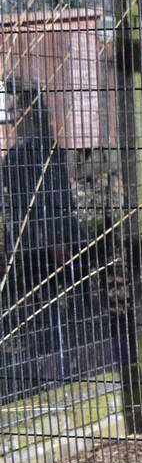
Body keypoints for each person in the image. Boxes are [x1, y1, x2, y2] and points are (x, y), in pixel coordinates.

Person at [0, 80, 88, 390]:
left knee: (54, 313)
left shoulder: (43, 154)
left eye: (17, 109)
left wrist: (56, 241)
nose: (13, 114)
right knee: (43, 314)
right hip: (33, 244)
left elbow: (54, 200)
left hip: (47, 243)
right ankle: (54, 375)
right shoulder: (26, 156)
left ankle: (59, 376)